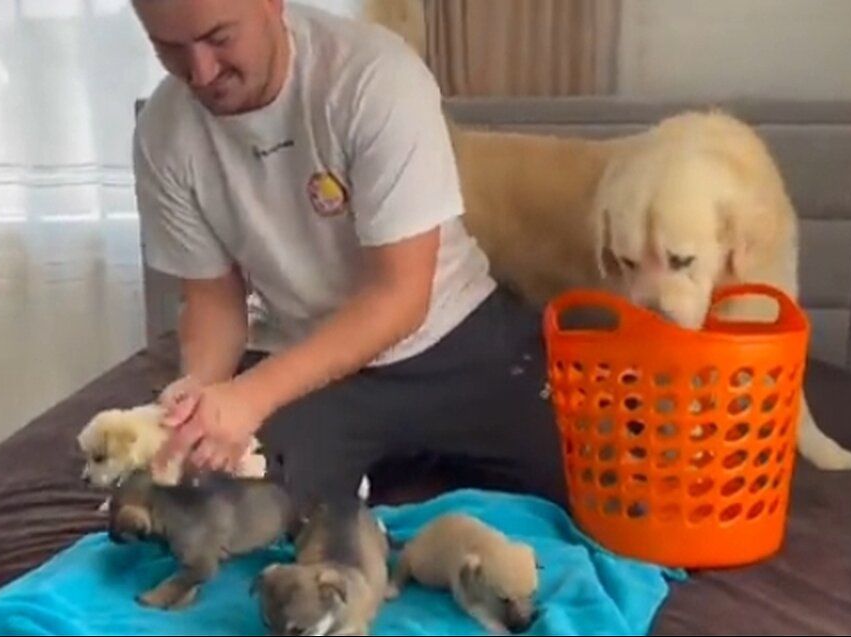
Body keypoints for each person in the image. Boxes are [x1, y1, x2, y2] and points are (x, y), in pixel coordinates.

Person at [129, 0, 567, 510]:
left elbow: (400, 297)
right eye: (171, 49)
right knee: (229, 513)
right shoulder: (165, 134)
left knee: (614, 493)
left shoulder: (374, 79)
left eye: (220, 38)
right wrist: (202, 395)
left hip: (455, 336)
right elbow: (214, 301)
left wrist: (251, 396)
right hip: (314, 363)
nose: (201, 73)